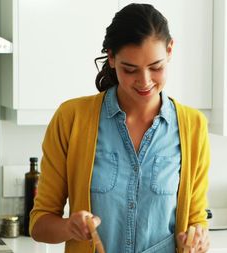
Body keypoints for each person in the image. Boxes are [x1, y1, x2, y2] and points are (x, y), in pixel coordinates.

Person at [29, 3, 210, 253]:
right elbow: (39, 225)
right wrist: (69, 227)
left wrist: (196, 240)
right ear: (111, 58)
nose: (145, 81)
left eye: (156, 67)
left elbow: (195, 221)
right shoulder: (71, 118)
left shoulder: (193, 126)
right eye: (130, 69)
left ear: (170, 50)